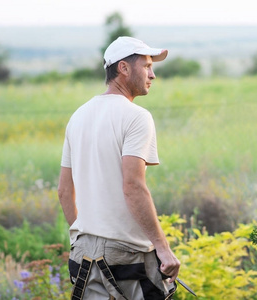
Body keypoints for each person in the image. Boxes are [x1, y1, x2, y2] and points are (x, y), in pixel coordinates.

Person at [58, 36, 180, 300]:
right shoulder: (136, 117)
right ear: (123, 68)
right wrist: (163, 248)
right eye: (146, 66)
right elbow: (133, 186)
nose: (153, 74)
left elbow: (64, 191)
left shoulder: (78, 116)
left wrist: (82, 239)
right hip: (126, 255)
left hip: (83, 254)